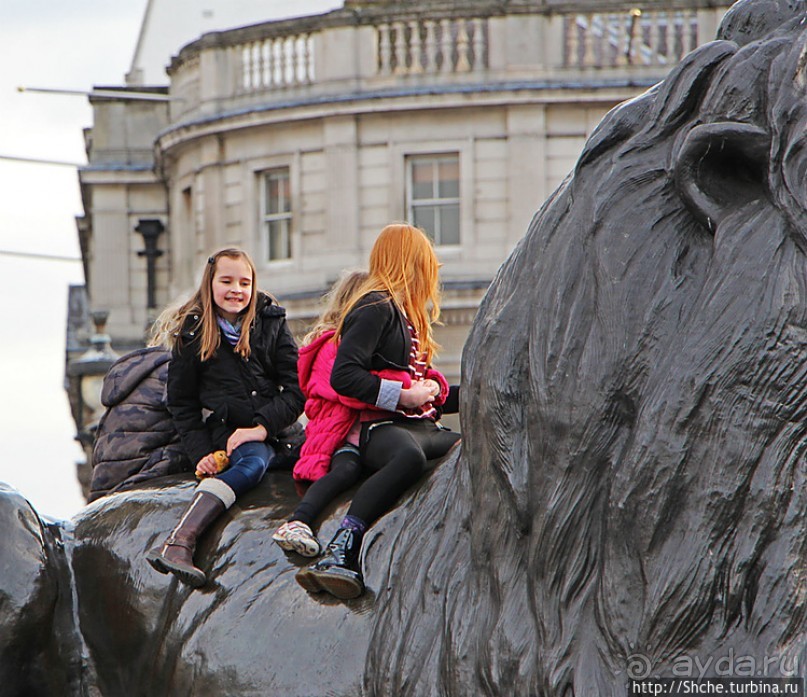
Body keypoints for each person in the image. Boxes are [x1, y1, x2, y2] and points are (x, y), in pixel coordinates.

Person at [295, 223, 460, 599]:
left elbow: (422, 393)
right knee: (408, 458)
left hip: (420, 425)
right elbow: (345, 376)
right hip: (380, 427)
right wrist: (403, 397)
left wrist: (447, 390)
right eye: (427, 263)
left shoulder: (409, 316)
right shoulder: (374, 306)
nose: (432, 274)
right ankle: (343, 544)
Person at [146, 248, 304, 587]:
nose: (237, 290)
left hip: (280, 432)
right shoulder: (193, 332)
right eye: (227, 281)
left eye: (244, 282)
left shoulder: (271, 321)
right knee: (251, 466)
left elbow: (296, 390)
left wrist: (261, 428)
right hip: (228, 436)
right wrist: (201, 452)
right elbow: (182, 403)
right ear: (210, 284)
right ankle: (179, 541)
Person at [272, 270, 453, 558]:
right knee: (345, 470)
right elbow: (350, 389)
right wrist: (405, 391)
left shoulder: (372, 346)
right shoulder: (331, 347)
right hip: (340, 435)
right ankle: (298, 521)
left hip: (364, 429)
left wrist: (433, 387)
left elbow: (402, 375)